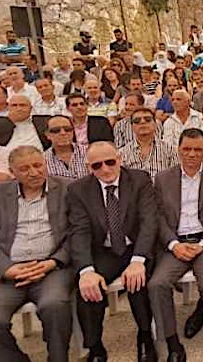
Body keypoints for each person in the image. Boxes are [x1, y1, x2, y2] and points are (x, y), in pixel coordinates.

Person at [0, 146, 73, 362]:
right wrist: (7, 269)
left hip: (51, 269)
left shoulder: (68, 190)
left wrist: (53, 262)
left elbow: (78, 234)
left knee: (54, 306)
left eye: (38, 165)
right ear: (12, 172)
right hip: (7, 272)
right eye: (24, 169)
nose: (33, 172)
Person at [67, 141, 157, 362]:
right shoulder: (79, 190)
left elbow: (149, 222)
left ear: (119, 159)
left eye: (110, 162)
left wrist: (138, 260)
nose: (105, 169)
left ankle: (145, 337)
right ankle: (95, 347)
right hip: (105, 250)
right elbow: (79, 232)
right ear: (89, 167)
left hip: (135, 246)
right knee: (88, 288)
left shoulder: (139, 180)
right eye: (97, 165)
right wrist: (86, 270)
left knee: (139, 283)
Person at [149, 129, 203, 360]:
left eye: (197, 149)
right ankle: (173, 342)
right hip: (176, 242)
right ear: (178, 150)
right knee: (157, 284)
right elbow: (158, 217)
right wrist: (173, 244)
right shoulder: (163, 178)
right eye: (187, 149)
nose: (192, 154)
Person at [118, 107, 178, 181]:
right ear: (132, 127)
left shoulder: (170, 149)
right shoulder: (122, 153)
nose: (142, 122)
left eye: (148, 119)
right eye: (137, 120)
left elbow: (175, 177)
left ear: (155, 124)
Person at [44, 115, 90, 179]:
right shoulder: (43, 160)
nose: (63, 133)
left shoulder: (89, 152)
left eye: (67, 129)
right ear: (47, 135)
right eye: (56, 130)